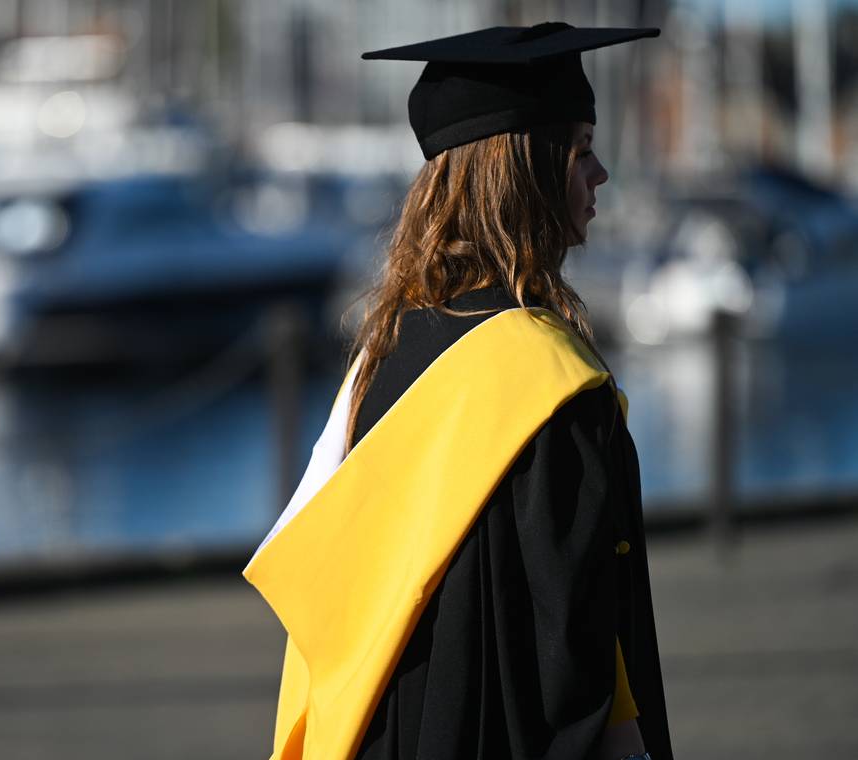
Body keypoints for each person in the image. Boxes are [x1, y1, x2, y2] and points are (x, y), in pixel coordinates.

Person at [243, 22, 672, 760]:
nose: (600, 174)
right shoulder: (551, 381)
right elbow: (574, 642)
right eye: (578, 151)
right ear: (524, 169)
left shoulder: (383, 352)